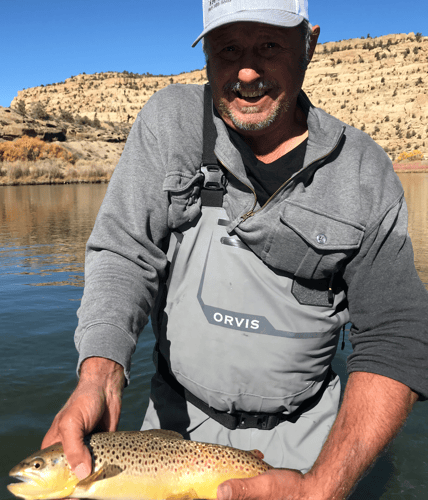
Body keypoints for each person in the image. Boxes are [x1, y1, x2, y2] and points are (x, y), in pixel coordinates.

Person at [42, 1, 428, 498]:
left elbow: (396, 335)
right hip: (171, 434)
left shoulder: (363, 172)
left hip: (312, 444)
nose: (247, 71)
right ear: (205, 54)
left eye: (269, 45)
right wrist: (99, 374)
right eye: (228, 48)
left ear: (308, 45)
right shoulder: (171, 122)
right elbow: (125, 252)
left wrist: (321, 489)